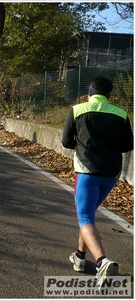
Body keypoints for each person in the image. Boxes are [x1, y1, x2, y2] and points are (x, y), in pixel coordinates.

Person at [61, 76, 133, 285]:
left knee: (84, 218)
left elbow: (66, 141)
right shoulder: (121, 113)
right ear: (109, 94)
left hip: (86, 171)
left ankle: (102, 261)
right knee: (89, 215)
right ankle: (79, 258)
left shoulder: (78, 110)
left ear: (90, 91)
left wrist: (85, 147)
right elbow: (128, 144)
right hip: (111, 173)